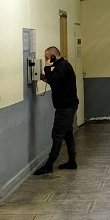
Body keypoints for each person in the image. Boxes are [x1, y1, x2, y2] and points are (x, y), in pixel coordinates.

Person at [34, 46, 79, 175]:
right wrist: (45, 77)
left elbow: (55, 81)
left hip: (65, 108)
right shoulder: (62, 66)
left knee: (57, 135)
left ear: (54, 56)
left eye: (47, 57)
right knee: (67, 133)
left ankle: (49, 165)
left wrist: (47, 68)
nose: (46, 60)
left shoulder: (62, 67)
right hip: (68, 106)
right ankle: (72, 160)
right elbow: (57, 82)